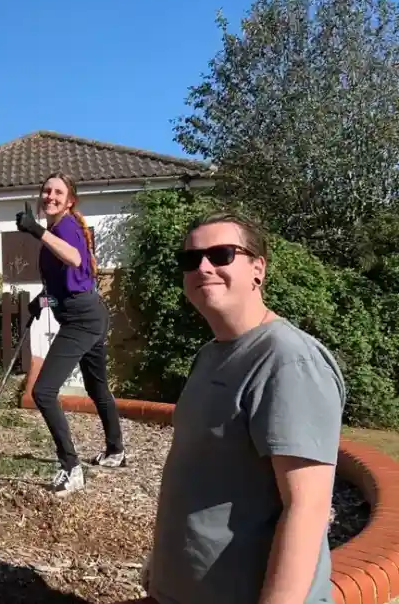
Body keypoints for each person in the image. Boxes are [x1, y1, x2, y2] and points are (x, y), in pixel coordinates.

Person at [143, 212, 346, 604]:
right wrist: (163, 564)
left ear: (257, 269)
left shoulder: (287, 361)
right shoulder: (210, 356)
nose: (203, 267)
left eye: (221, 254)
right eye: (191, 259)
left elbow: (307, 508)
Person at [15, 172, 126, 498]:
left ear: (70, 200)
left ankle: (70, 467)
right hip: (85, 312)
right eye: (46, 190)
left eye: (58, 192)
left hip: (83, 319)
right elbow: (66, 285)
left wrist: (35, 230)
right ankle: (116, 451)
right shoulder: (56, 230)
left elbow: (74, 258)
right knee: (97, 386)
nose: (50, 196)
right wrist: (41, 301)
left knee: (44, 391)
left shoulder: (65, 228)